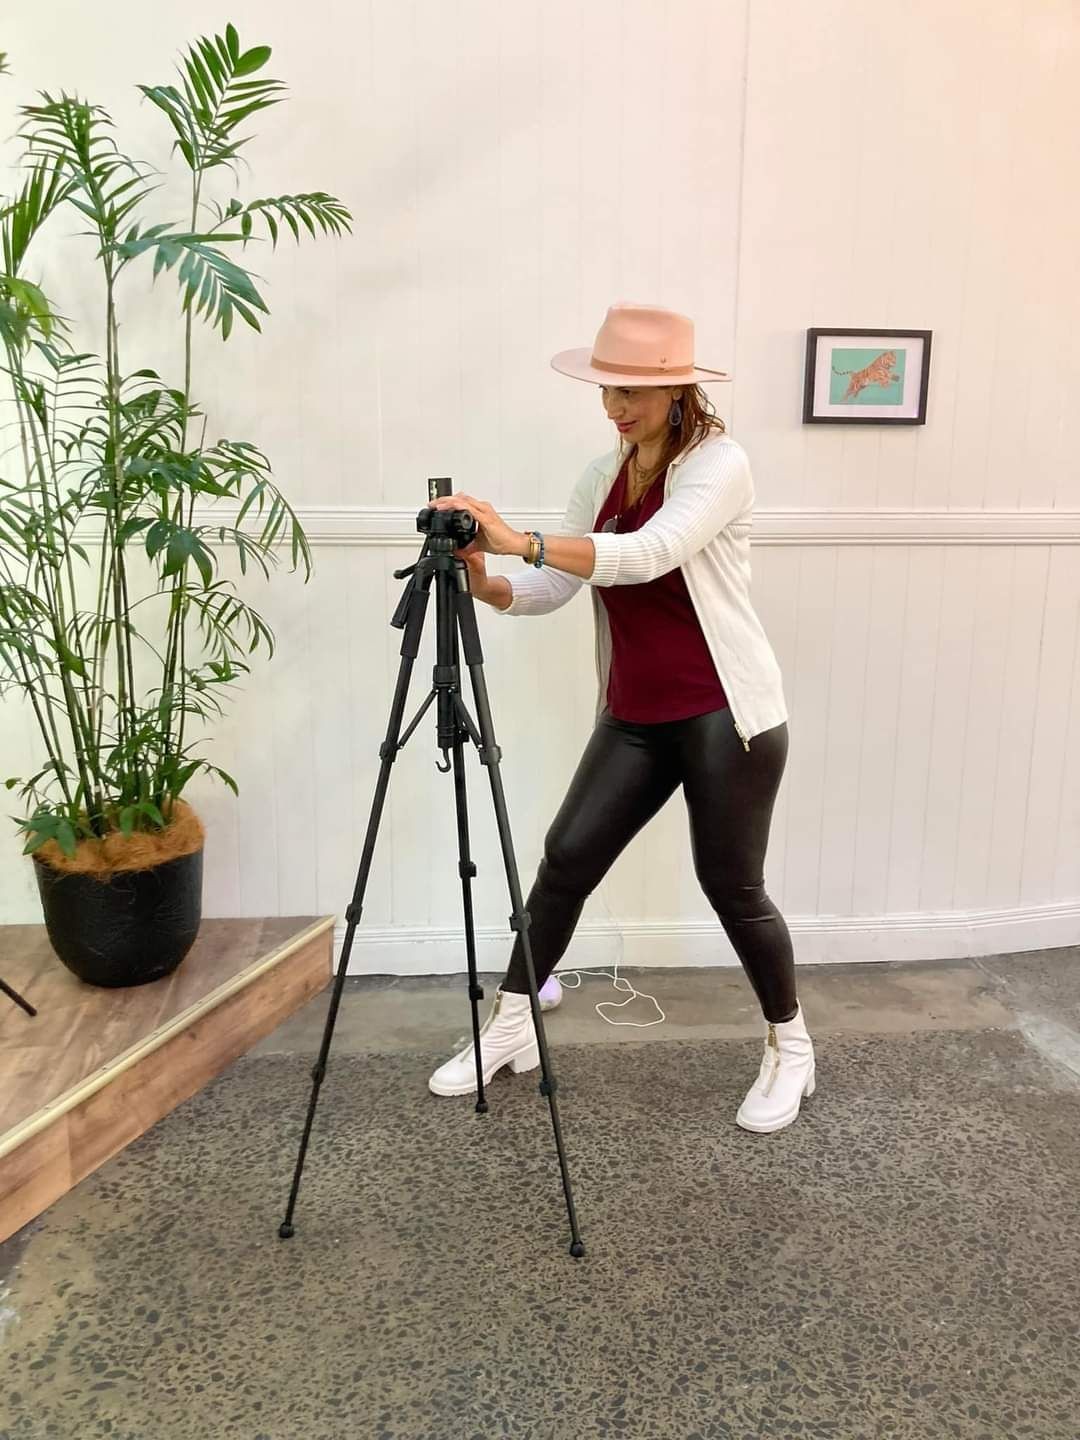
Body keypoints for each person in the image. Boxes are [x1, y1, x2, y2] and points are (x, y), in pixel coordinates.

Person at [426, 303, 815, 1134]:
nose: (617, 406)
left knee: (732, 887)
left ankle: (792, 1048)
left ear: (679, 388)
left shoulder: (720, 464)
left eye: (635, 390)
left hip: (725, 714)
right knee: (564, 861)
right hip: (636, 714)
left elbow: (646, 556)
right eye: (609, 388)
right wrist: (488, 579)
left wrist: (518, 539)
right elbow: (557, 585)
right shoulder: (601, 474)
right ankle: (511, 1025)